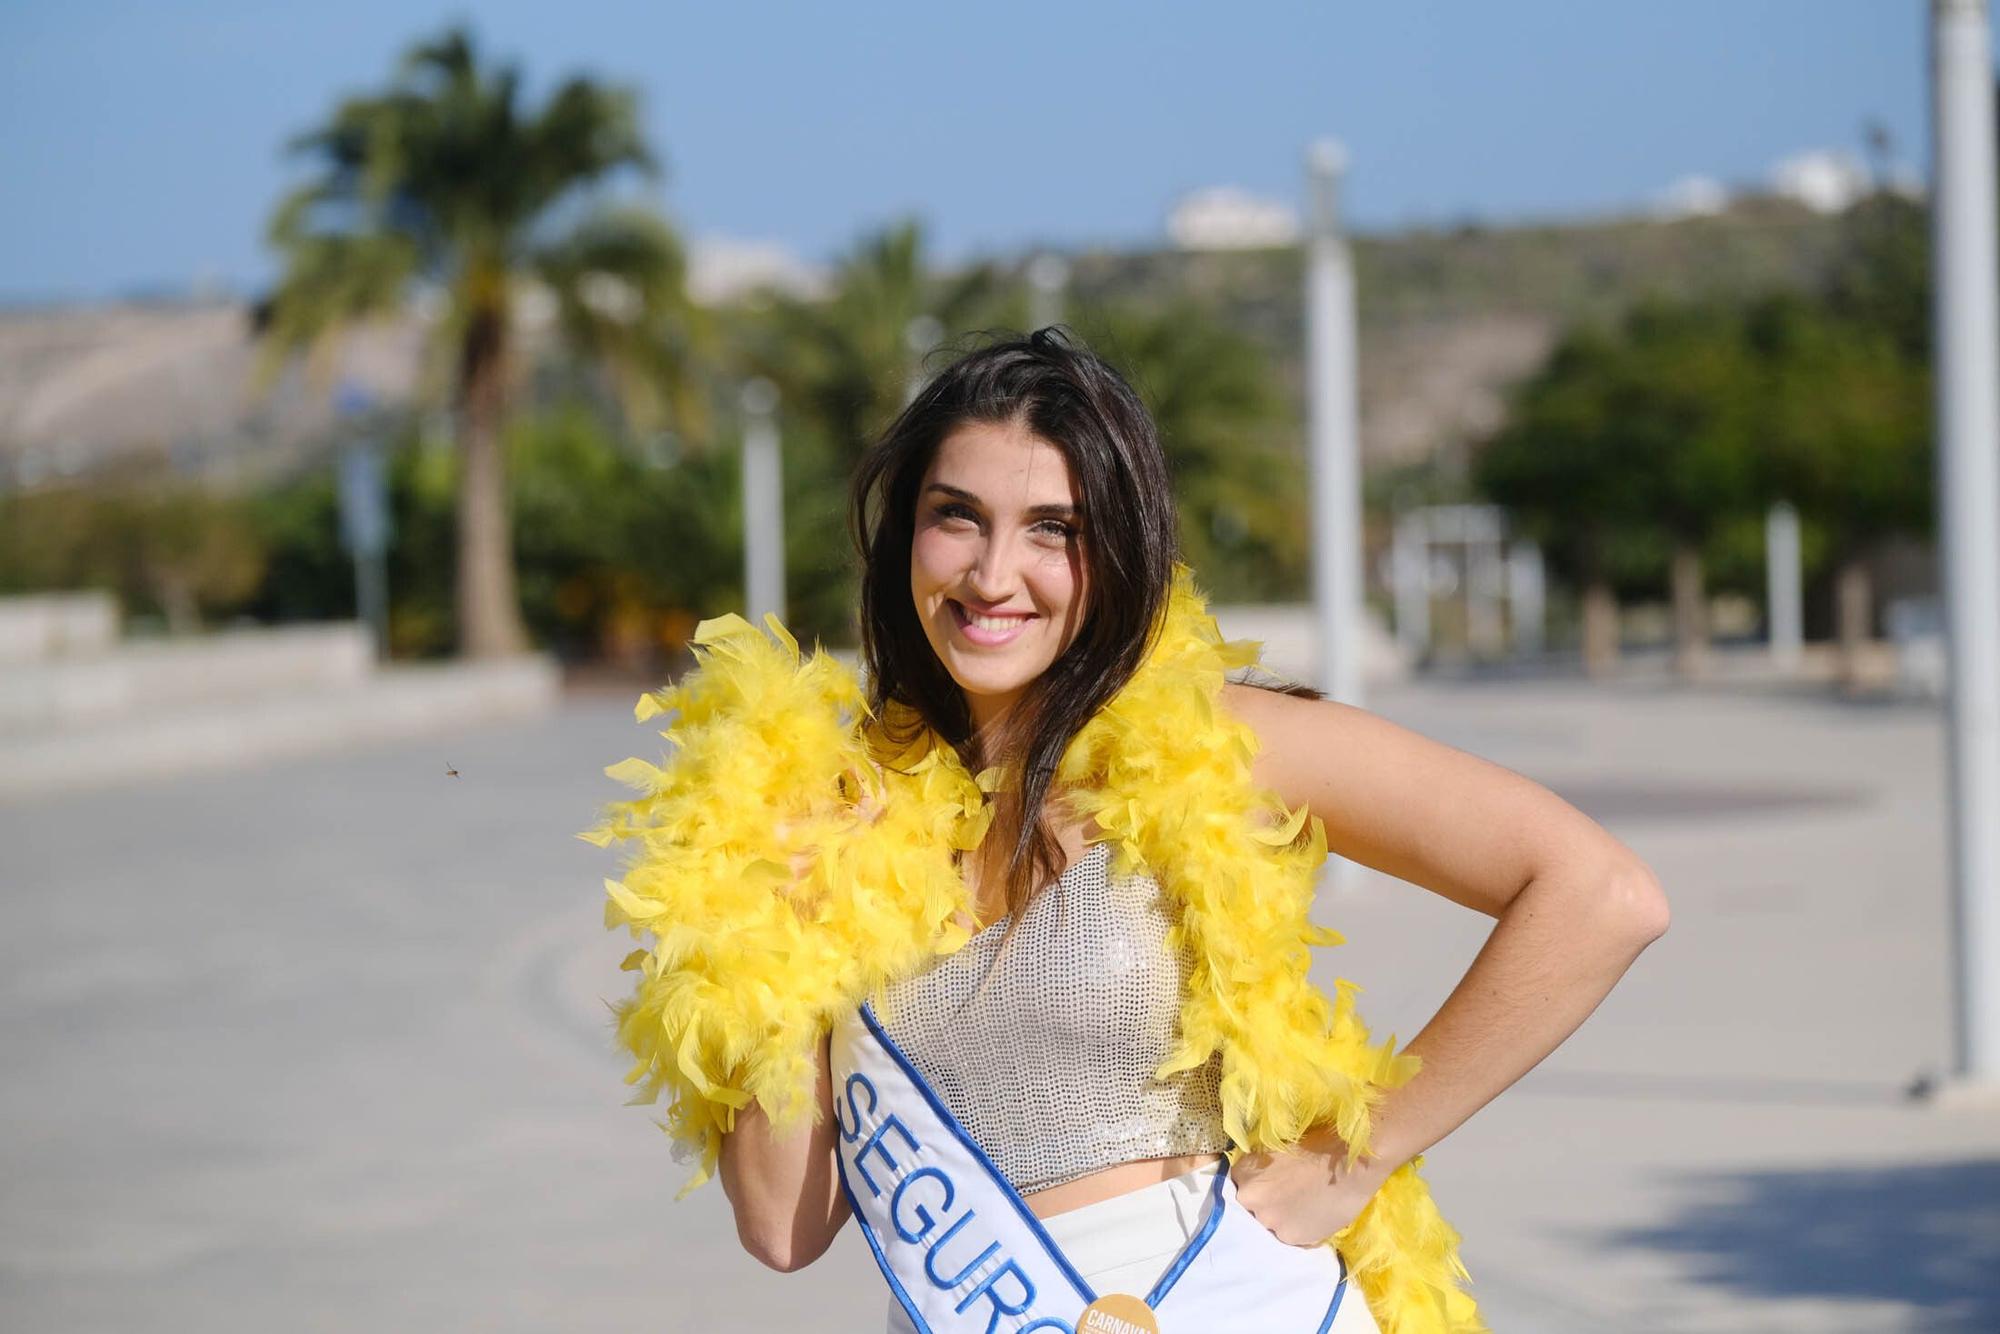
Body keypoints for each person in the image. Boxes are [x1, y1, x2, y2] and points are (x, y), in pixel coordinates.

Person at [589, 329, 1670, 1334]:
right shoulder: (843, 804)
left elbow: (1597, 893)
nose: (990, 574)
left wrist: (1353, 1154)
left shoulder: (1224, 738)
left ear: (1117, 548)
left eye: (1051, 530)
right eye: (954, 514)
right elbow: (782, 1224)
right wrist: (786, 933)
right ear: (903, 534)